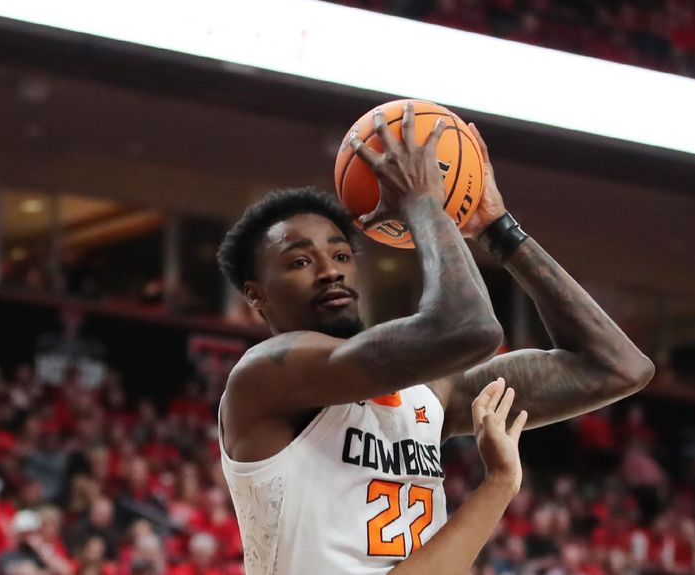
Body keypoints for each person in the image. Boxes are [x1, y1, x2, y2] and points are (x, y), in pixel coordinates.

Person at [216, 101, 654, 574]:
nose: (329, 272)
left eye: (342, 256)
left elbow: (616, 368)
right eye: (300, 262)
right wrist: (425, 201)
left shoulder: (426, 396)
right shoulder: (265, 375)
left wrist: (497, 229)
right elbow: (470, 328)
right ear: (256, 296)